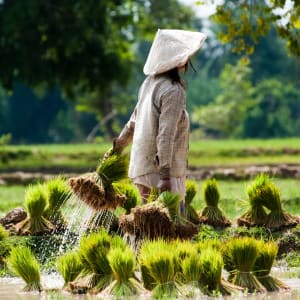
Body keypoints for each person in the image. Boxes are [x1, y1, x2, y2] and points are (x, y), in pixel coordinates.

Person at [106, 29, 206, 214]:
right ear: (178, 60)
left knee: (146, 226)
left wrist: (116, 150)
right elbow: (165, 135)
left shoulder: (149, 84)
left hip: (142, 167)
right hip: (161, 172)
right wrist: (165, 176)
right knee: (170, 229)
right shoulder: (173, 91)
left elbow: (132, 124)